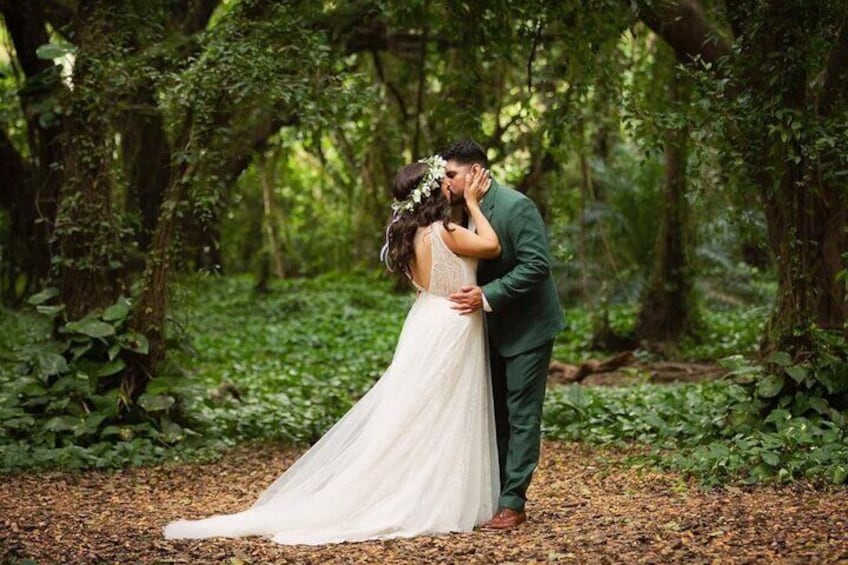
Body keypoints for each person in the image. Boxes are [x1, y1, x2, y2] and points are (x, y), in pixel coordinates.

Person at [164, 156, 502, 545]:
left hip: (428, 319)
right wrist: (475, 204)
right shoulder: (445, 231)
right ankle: (433, 493)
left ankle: (423, 485)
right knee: (443, 410)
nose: (449, 184)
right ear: (430, 192)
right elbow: (491, 245)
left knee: (419, 411)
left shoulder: (408, 237)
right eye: (442, 180)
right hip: (453, 321)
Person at [441, 139, 565, 530]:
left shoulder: (516, 206)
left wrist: (487, 295)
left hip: (528, 327)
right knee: (493, 413)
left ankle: (514, 502)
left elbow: (536, 266)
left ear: (476, 172)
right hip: (486, 330)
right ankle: (493, 494)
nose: (445, 182)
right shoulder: (458, 213)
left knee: (521, 414)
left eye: (451, 175)